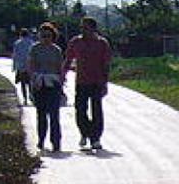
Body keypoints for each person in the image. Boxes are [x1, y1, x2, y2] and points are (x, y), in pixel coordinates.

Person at [64, 16, 114, 151]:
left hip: (97, 81)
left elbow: (106, 64)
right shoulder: (76, 42)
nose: (83, 30)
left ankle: (96, 137)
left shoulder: (102, 43)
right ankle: (85, 132)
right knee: (80, 109)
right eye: (82, 27)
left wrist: (105, 82)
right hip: (81, 81)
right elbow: (68, 59)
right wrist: (63, 75)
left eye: (86, 27)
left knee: (97, 110)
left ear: (93, 28)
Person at [26, 23, 67, 152]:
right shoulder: (35, 49)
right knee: (41, 114)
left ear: (52, 36)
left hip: (53, 83)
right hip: (39, 84)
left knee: (54, 115)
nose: (45, 38)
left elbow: (60, 68)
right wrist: (33, 80)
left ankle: (56, 142)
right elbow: (31, 66)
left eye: (48, 36)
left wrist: (61, 84)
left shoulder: (56, 50)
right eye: (43, 35)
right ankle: (41, 139)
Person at [10, 26, 37, 107]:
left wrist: (14, 66)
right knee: (30, 83)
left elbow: (15, 55)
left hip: (21, 66)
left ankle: (25, 98)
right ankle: (31, 96)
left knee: (23, 83)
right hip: (30, 66)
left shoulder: (17, 43)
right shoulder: (32, 43)